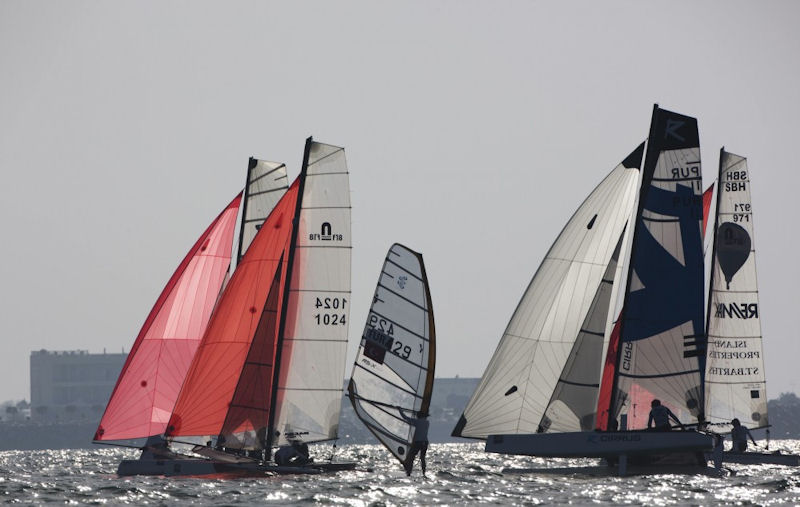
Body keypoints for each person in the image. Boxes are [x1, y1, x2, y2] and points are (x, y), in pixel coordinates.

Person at [399, 407, 429, 477]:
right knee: (422, 458)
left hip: (418, 442)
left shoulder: (416, 422)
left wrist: (400, 410)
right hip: (425, 442)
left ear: (418, 416)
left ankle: (409, 473)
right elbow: (420, 420)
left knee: (411, 457)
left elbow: (405, 417)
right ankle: (424, 473)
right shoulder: (427, 422)